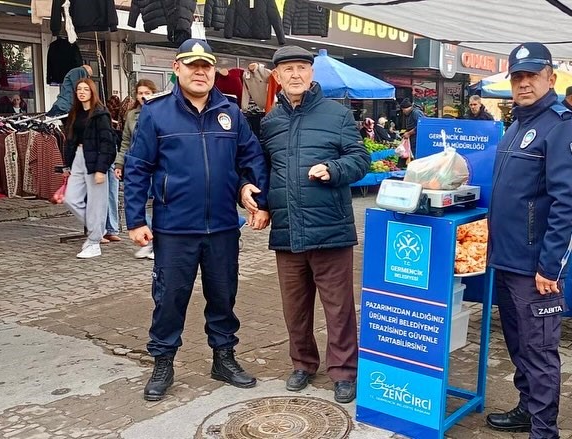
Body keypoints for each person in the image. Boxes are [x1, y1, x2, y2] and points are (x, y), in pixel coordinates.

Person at [123, 39, 270, 401]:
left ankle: (224, 358)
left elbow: (251, 156)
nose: (200, 71)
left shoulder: (230, 112)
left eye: (206, 65)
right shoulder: (156, 113)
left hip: (222, 227)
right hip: (174, 229)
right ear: (177, 69)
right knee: (170, 298)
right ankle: (163, 362)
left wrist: (253, 189)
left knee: (223, 296)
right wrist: (135, 220)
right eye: (192, 65)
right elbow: (138, 168)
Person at [245, 45, 369, 404]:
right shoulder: (270, 122)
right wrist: (262, 205)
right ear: (278, 77)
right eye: (288, 70)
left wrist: (334, 170)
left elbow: (359, 160)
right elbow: (267, 172)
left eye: (302, 68)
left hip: (330, 228)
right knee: (294, 307)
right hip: (287, 231)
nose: (296, 75)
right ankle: (302, 364)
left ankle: (344, 371)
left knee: (339, 307)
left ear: (311, 74)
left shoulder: (337, 115)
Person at [486, 42, 572, 439]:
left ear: (551, 79)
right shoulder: (517, 125)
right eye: (517, 77)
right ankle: (527, 409)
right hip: (508, 260)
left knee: (541, 351)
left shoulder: (564, 127)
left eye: (532, 75)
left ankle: (545, 431)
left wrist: (550, 266)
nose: (524, 83)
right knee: (519, 344)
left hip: (536, 269)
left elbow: (568, 203)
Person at [62, 78, 116, 259]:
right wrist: (68, 164)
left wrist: (102, 168)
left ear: (92, 92)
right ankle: (96, 230)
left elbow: (108, 143)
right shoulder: (75, 113)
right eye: (79, 89)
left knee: (97, 203)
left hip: (95, 160)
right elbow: (69, 140)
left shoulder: (100, 114)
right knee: (71, 198)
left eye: (86, 89)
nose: (82, 92)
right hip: (78, 158)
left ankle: (94, 243)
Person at [115, 79, 157, 259]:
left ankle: (156, 243)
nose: (143, 96)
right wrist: (119, 164)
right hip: (137, 166)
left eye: (146, 93)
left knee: (160, 203)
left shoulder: (159, 112)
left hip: (157, 165)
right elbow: (125, 142)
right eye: (140, 93)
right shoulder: (131, 115)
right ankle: (148, 237)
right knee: (138, 202)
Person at [396, 98, 424, 167]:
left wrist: (409, 133)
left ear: (407, 108)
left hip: (417, 138)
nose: (403, 112)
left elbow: (421, 125)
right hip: (412, 138)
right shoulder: (409, 114)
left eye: (403, 110)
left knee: (414, 154)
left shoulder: (416, 113)